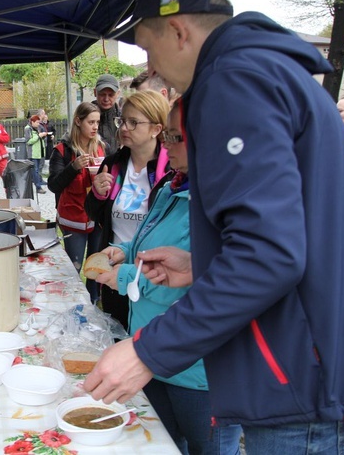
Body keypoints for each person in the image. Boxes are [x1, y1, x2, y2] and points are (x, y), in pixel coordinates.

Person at [84, 0, 344, 453]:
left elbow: (269, 254)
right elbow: (291, 232)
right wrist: (203, 266)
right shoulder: (262, 72)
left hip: (307, 389)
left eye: (148, 49)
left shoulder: (231, 80)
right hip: (315, 375)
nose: (150, 68)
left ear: (179, 32)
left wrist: (148, 351)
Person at [97, 101, 241, 454]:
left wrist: (128, 275)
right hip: (153, 354)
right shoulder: (169, 187)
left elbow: (217, 284)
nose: (168, 145)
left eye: (176, 137)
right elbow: (159, 247)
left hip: (199, 372)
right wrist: (124, 251)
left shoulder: (226, 200)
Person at [85, 90, 170, 328]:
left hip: (154, 276)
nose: (124, 128)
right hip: (115, 273)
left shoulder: (171, 170)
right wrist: (98, 194)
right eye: (122, 120)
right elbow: (94, 215)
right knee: (117, 334)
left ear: (156, 129)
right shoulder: (113, 163)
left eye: (134, 122)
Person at [48, 102, 106, 302]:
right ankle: (72, 304)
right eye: (91, 122)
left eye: (97, 122)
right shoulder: (62, 150)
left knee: (95, 269)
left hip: (97, 219)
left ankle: (93, 304)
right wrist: (73, 167)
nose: (95, 127)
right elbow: (54, 185)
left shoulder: (101, 147)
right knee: (75, 267)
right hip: (73, 219)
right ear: (78, 121)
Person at [92, 74, 122, 153]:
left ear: (118, 94)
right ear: (95, 92)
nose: (106, 99)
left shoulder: (123, 119)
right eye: (102, 94)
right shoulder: (84, 116)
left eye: (111, 95)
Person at [24, 114, 47, 194]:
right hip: (33, 153)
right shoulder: (28, 129)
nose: (38, 124)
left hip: (39, 152)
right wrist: (39, 136)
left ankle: (37, 184)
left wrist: (44, 136)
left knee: (37, 170)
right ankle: (38, 187)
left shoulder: (38, 127)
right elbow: (29, 141)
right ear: (32, 122)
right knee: (35, 171)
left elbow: (40, 138)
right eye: (37, 122)